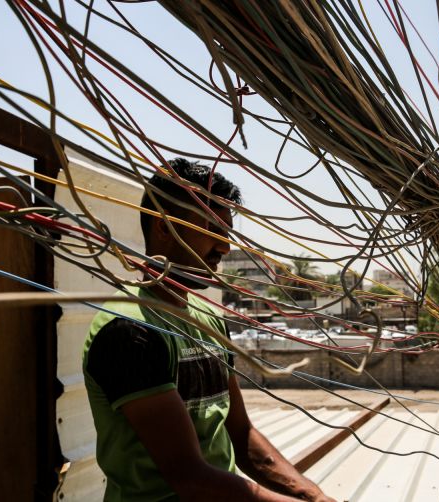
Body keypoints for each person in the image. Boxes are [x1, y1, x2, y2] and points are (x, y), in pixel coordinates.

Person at [83, 158, 334, 501]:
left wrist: (311, 494)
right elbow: (190, 478)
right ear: (164, 227)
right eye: (212, 231)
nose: (224, 247)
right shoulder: (129, 330)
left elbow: (241, 433)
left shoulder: (209, 317)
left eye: (226, 233)